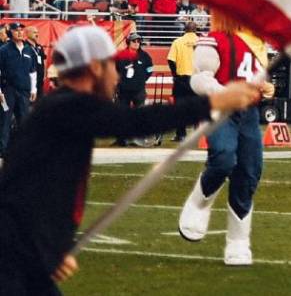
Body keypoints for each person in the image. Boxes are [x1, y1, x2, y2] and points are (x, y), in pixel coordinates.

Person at [0, 26, 259, 295]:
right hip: (13, 259)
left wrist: (46, 247)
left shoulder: (58, 108)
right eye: (113, 66)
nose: (117, 76)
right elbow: (137, 121)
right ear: (94, 68)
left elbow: (30, 190)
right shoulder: (67, 107)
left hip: (22, 254)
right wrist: (213, 102)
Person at [177, 11, 274, 265]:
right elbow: (198, 79)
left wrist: (265, 89)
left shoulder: (259, 44)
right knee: (222, 158)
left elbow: (257, 81)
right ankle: (199, 203)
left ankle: (239, 240)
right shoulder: (215, 39)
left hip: (249, 113)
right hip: (221, 108)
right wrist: (226, 92)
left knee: (249, 171)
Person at [0, 22, 37, 156]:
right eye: (16, 30)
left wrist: (34, 89)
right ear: (11, 32)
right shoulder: (3, 50)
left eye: (22, 30)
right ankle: (3, 150)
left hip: (24, 91)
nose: (20, 32)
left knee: (24, 120)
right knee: (5, 120)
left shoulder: (29, 50)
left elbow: (33, 72)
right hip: (7, 91)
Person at [113, 33, 154, 147]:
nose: (136, 43)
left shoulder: (145, 56)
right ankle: (121, 139)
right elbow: (116, 70)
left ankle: (139, 138)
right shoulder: (121, 55)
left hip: (139, 90)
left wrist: (141, 80)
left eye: (138, 41)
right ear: (128, 42)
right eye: (134, 41)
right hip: (123, 90)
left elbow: (150, 70)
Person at [167, 21, 200, 142]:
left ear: (184, 30)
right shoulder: (201, 42)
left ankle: (181, 134)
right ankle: (198, 134)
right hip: (197, 78)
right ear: (195, 30)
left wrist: (175, 75)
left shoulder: (177, 42)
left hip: (181, 79)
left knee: (180, 107)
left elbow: (170, 60)